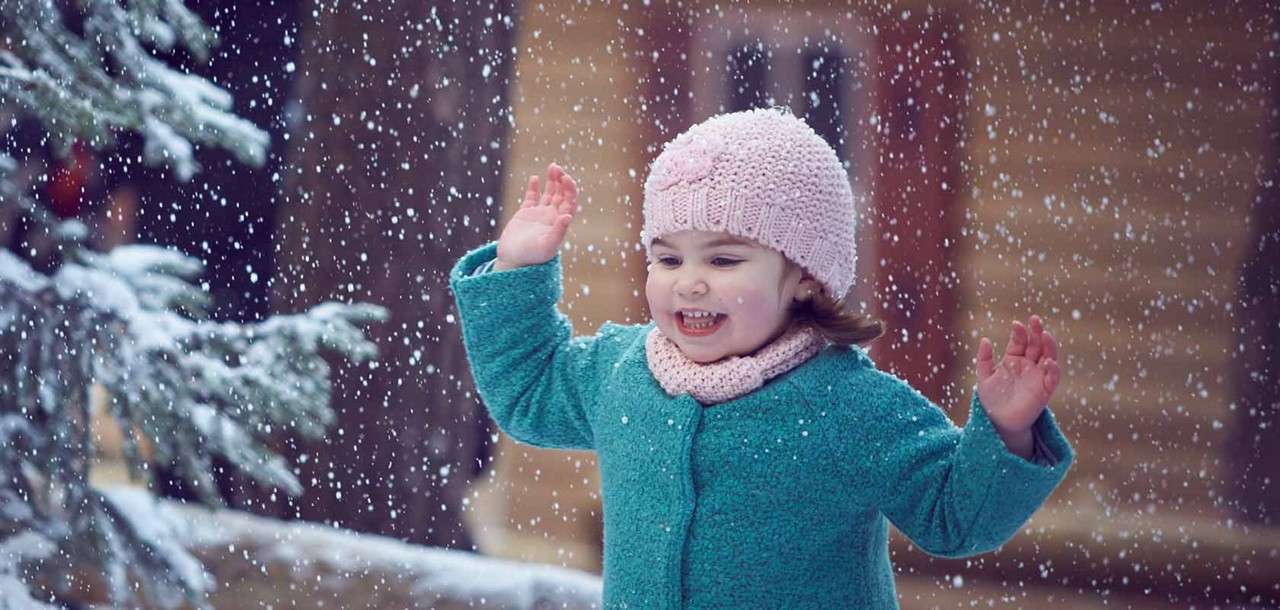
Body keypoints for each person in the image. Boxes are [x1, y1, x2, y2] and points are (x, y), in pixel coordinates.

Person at [448, 107, 1074, 609]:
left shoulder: (849, 405)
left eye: (723, 260)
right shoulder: (620, 373)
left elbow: (951, 517)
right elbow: (528, 392)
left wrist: (1007, 433)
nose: (689, 282)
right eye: (667, 259)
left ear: (803, 275)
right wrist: (518, 268)